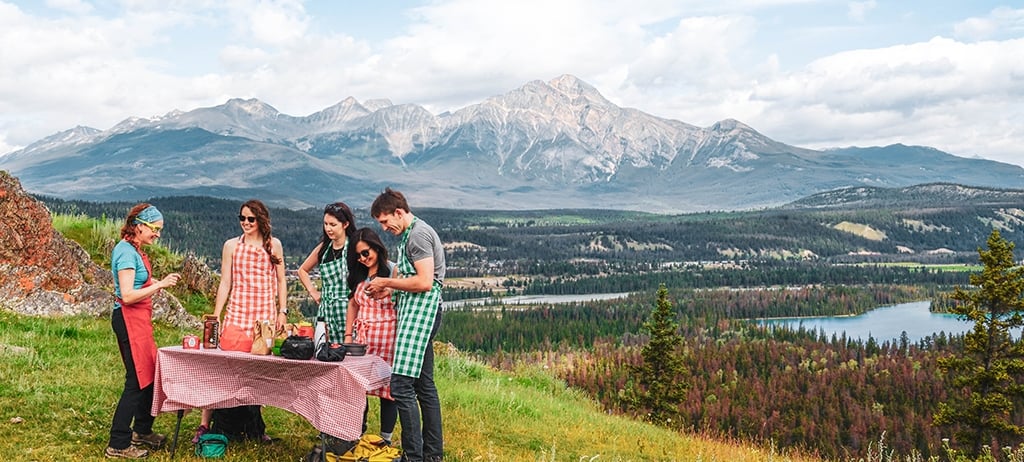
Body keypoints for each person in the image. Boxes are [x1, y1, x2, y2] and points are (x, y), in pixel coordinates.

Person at [193, 199, 287, 442]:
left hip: (263, 318)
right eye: (242, 218)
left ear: (261, 220)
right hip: (237, 313)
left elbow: (281, 281)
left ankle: (255, 427)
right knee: (224, 368)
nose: (245, 223)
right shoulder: (231, 245)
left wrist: (282, 311)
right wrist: (216, 313)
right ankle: (205, 424)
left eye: (251, 219)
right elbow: (225, 282)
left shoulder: (273, 245)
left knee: (256, 373)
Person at [366, 187, 445, 462]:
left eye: (386, 222)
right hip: (416, 312)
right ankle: (433, 456)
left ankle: (413, 456)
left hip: (422, 314)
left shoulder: (418, 236)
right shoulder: (408, 235)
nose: (385, 228)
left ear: (399, 212)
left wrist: (386, 281)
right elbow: (408, 278)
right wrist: (387, 292)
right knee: (424, 387)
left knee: (400, 386)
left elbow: (424, 282)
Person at [105, 203, 181, 459]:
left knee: (148, 374)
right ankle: (118, 442)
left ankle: (143, 431)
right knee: (136, 380)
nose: (157, 235)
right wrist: (160, 285)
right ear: (139, 227)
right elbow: (127, 296)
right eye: (154, 229)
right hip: (128, 318)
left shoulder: (134, 249)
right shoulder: (126, 253)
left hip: (139, 320)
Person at [344, 227, 398, 444]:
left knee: (388, 390)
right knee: (359, 387)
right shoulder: (358, 274)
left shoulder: (393, 270)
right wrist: (348, 335)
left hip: (388, 338)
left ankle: (386, 439)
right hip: (363, 339)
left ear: (377, 247)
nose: (363, 259)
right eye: (358, 256)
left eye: (366, 253)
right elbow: (352, 304)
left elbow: (401, 298)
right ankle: (357, 432)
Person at [297, 202, 357, 341]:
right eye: (325, 224)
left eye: (333, 224)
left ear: (345, 224)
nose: (328, 228)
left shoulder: (355, 247)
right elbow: (302, 270)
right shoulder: (323, 248)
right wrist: (313, 292)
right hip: (326, 312)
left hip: (349, 310)